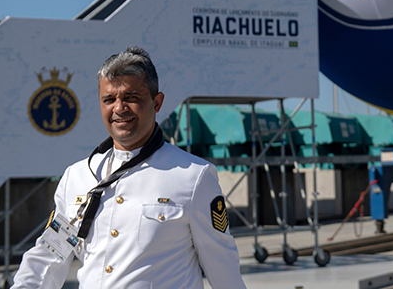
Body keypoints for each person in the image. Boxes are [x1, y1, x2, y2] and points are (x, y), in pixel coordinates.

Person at [13, 46, 247, 289]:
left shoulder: (193, 176)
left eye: (131, 98)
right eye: (109, 99)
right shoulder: (78, 176)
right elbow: (51, 255)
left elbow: (224, 271)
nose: (119, 108)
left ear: (157, 102)